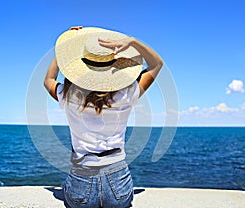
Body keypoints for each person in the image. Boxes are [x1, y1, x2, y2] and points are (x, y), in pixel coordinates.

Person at [44, 26, 163, 208]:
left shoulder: (69, 94)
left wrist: (64, 50)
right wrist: (133, 41)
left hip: (81, 177)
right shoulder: (127, 92)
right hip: (118, 182)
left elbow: (48, 81)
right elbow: (156, 64)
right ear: (112, 64)